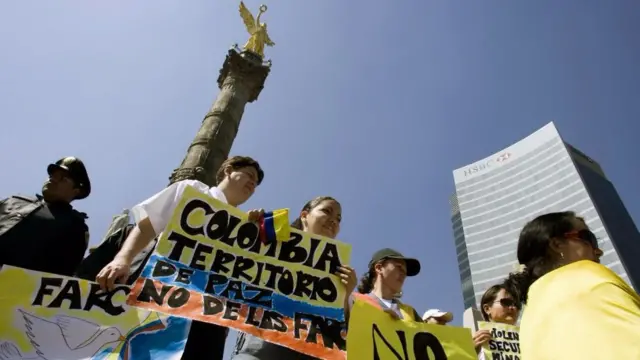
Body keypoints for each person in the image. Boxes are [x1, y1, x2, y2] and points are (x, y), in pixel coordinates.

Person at [95, 155, 265, 360]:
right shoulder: (191, 189)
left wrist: (256, 232)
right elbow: (148, 225)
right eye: (249, 175)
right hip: (158, 292)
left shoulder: (246, 226)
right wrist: (122, 259)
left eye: (255, 184)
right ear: (228, 170)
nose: (252, 184)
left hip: (206, 314)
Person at [232, 196, 357, 360]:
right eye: (327, 211)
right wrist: (250, 231)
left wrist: (345, 295)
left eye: (338, 219)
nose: (334, 221)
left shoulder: (340, 275)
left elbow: (342, 335)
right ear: (305, 215)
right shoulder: (271, 243)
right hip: (260, 348)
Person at [503, 211, 640, 359]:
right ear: (556, 244)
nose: (599, 251)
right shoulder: (587, 276)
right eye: (589, 238)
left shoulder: (528, 322)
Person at [0, 157, 91, 276]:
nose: (53, 179)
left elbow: (65, 270)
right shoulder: (12, 200)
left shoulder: (75, 225)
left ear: (76, 190)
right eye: (52, 175)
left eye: (62, 178)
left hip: (17, 286)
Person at [349, 248, 423, 323]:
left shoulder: (411, 313)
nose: (403, 273)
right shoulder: (354, 300)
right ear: (379, 268)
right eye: (399, 267)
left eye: (405, 271)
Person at [472, 284, 520, 357]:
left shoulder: (528, 337)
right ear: (487, 309)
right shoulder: (477, 343)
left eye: (517, 304)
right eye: (506, 302)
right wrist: (471, 353)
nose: (512, 307)